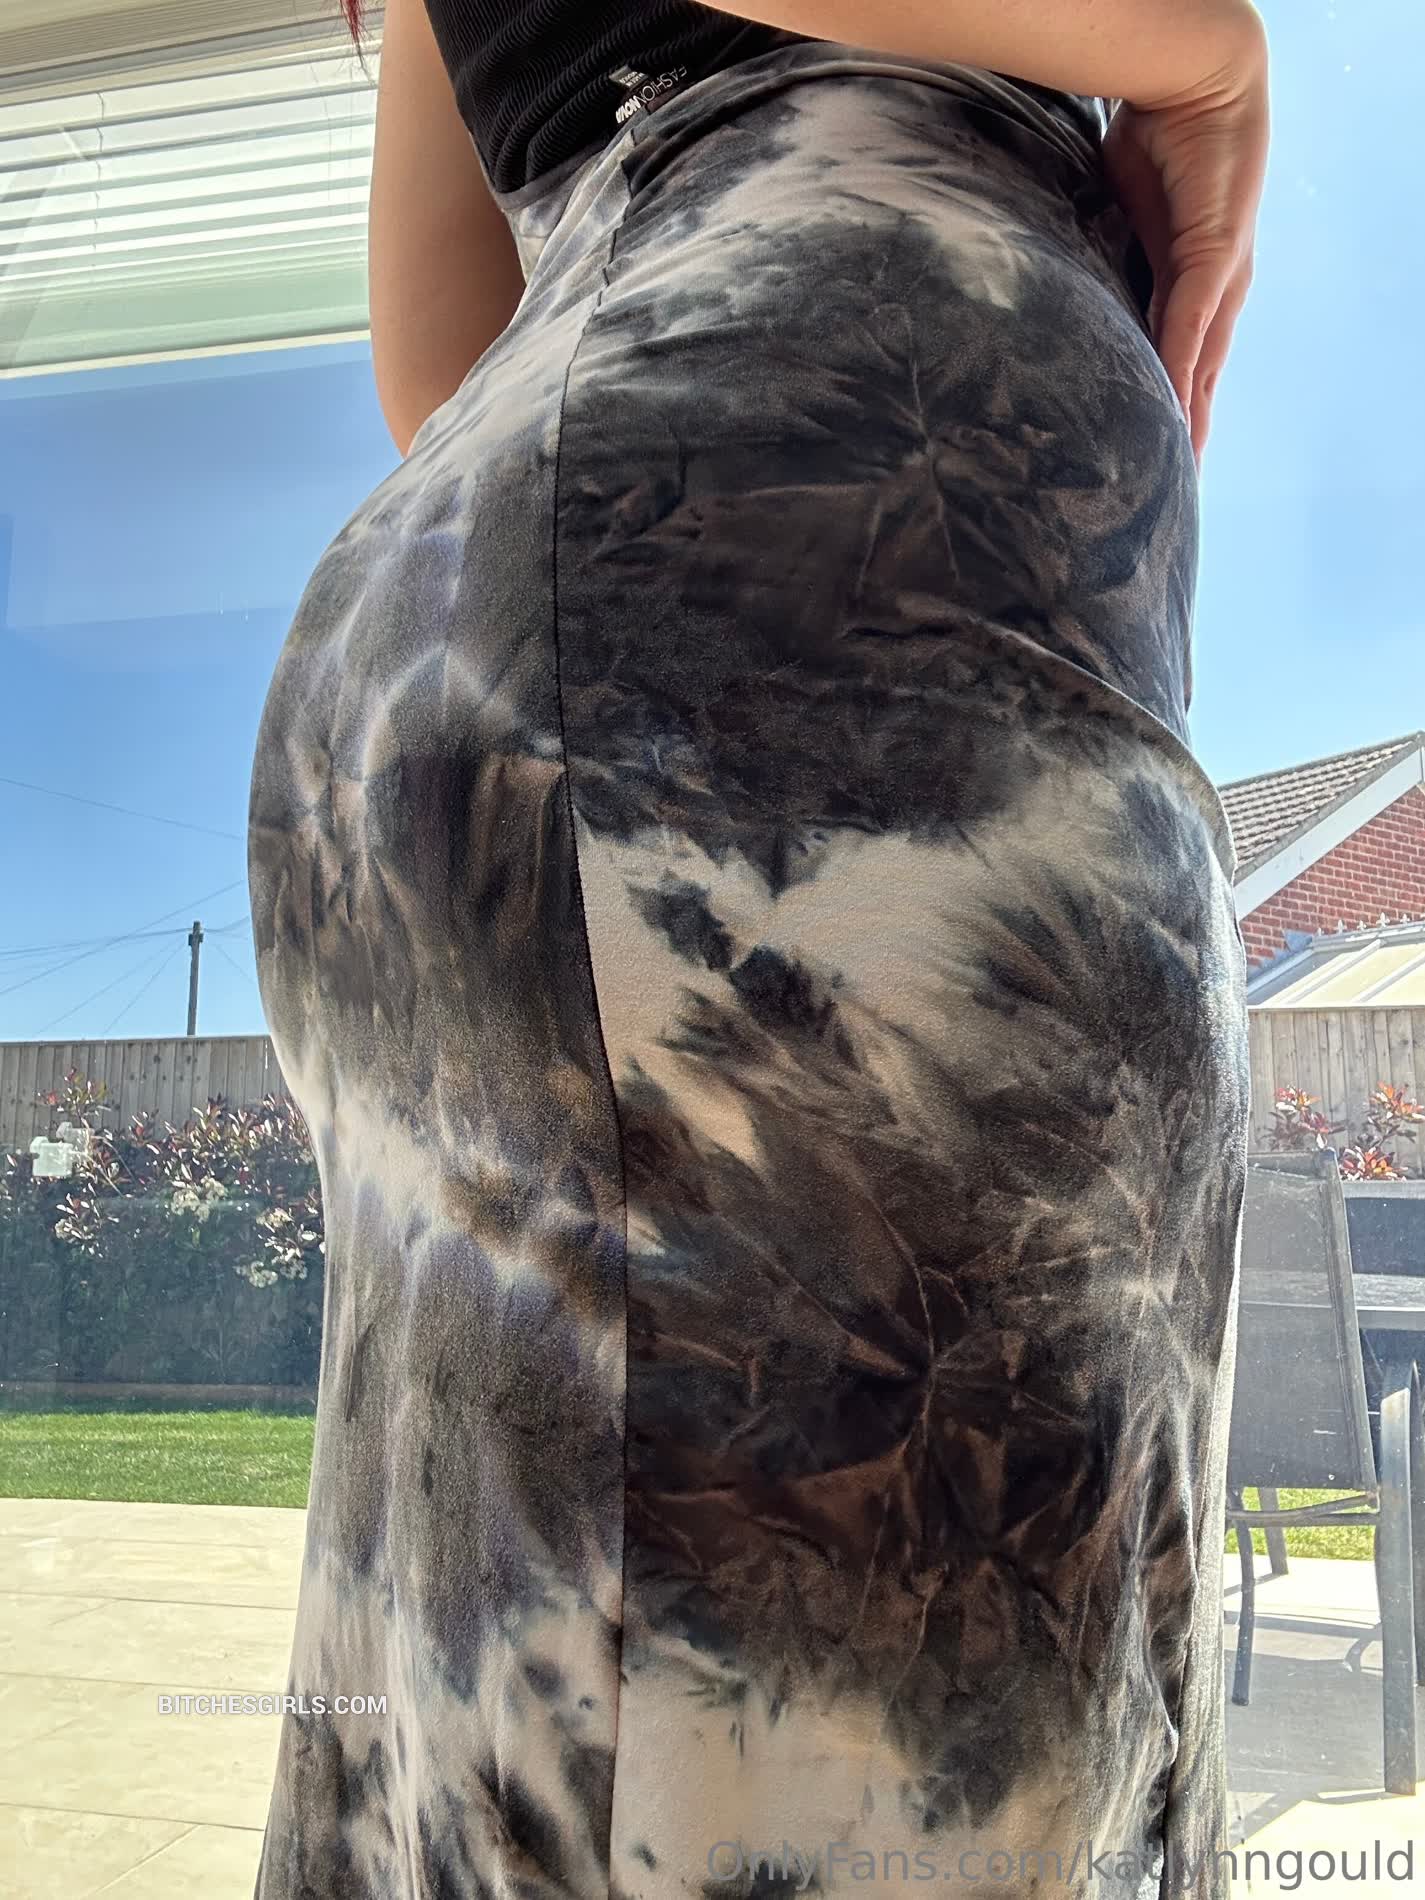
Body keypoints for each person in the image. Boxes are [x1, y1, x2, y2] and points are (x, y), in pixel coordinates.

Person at [246, 3, 1269, 1896]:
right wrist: (1203, 59)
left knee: (513, 1728)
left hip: (462, 631)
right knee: (898, 1733)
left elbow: (436, 356)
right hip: (816, 632)